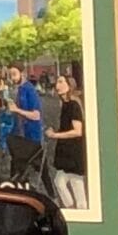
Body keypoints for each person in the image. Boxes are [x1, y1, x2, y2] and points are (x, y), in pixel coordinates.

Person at [46, 73, 88, 212]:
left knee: (75, 184)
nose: (57, 86)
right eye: (57, 82)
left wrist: (56, 135)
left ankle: (76, 211)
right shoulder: (65, 105)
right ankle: (71, 209)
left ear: (69, 86)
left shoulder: (73, 105)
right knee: (61, 182)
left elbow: (78, 131)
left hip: (73, 152)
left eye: (61, 82)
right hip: (66, 152)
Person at [8, 68, 47, 187]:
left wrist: (17, 110)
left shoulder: (29, 89)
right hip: (20, 137)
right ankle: (19, 192)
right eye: (10, 75)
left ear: (22, 74)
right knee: (16, 170)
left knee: (41, 169)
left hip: (32, 138)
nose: (12, 78)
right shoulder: (18, 90)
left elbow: (36, 115)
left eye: (14, 74)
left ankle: (51, 194)